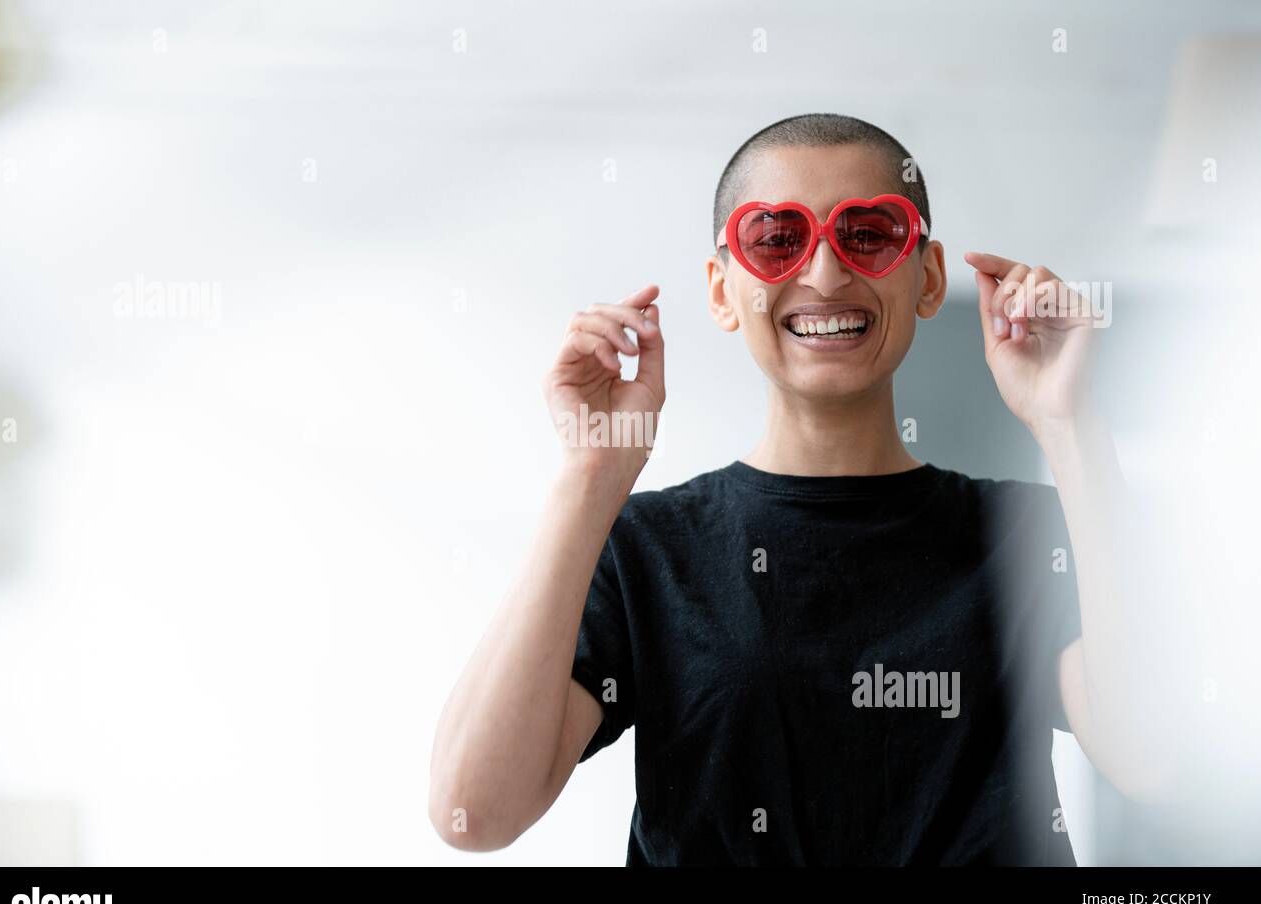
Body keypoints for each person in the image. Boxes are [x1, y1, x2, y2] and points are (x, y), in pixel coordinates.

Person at [429, 113, 1164, 865]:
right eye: (778, 239)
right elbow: (473, 811)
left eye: (868, 234)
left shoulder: (1025, 534)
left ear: (930, 277)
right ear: (722, 290)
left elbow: (1153, 760)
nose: (823, 273)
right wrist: (588, 477)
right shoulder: (647, 548)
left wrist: (1072, 423)